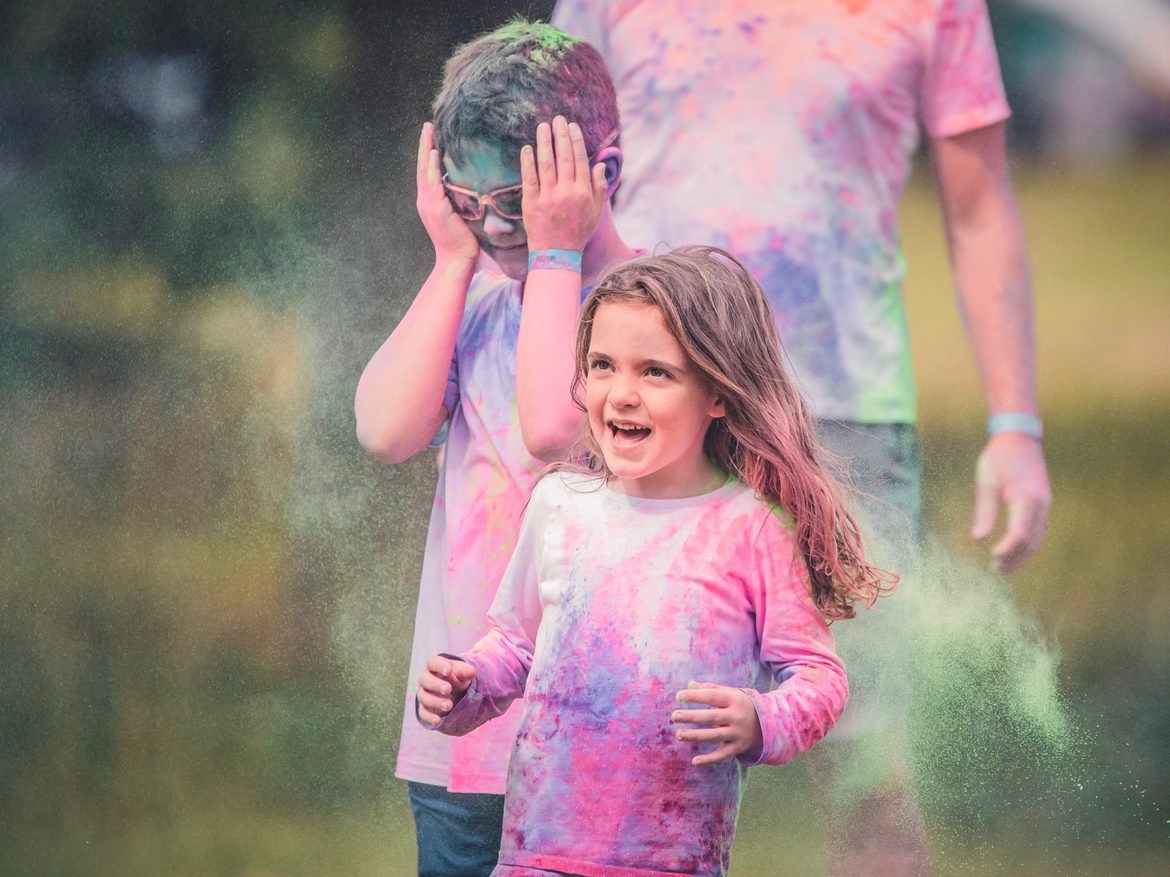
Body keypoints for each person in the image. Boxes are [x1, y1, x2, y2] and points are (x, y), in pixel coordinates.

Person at [545, 1, 1053, 874]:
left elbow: (978, 210)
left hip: (840, 426)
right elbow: (552, 180)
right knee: (605, 750)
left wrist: (1015, 425)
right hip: (637, 407)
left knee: (868, 767)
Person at [417, 246, 896, 876]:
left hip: (673, 861)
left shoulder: (749, 526)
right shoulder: (561, 504)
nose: (621, 394)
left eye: (655, 373)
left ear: (718, 392)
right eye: (603, 366)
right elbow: (517, 645)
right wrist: (468, 684)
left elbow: (818, 677)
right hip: (537, 856)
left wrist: (762, 718)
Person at [353, 20, 636, 877]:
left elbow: (552, 427)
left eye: (511, 203)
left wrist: (555, 252)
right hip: (462, 754)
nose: (491, 229)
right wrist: (450, 258)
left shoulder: (659, 313)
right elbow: (384, 429)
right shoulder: (475, 299)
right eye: (467, 202)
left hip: (606, 746)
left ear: (602, 176)